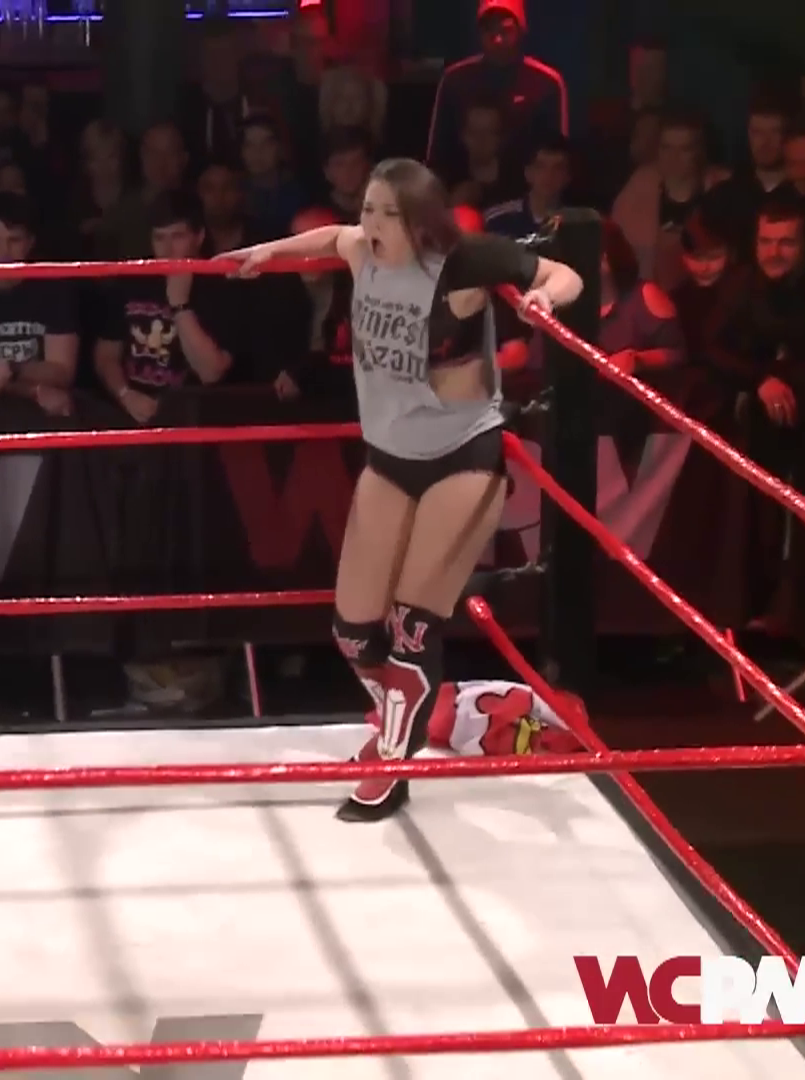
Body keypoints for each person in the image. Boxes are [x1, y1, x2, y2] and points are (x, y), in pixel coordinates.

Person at [226, 158, 582, 821]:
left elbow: (563, 273)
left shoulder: (463, 259)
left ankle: (392, 762)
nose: (372, 224)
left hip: (463, 455)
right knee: (353, 630)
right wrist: (269, 251)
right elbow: (331, 237)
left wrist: (544, 300)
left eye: (388, 213)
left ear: (420, 221)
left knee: (413, 627)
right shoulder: (362, 252)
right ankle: (407, 712)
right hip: (389, 459)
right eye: (368, 209)